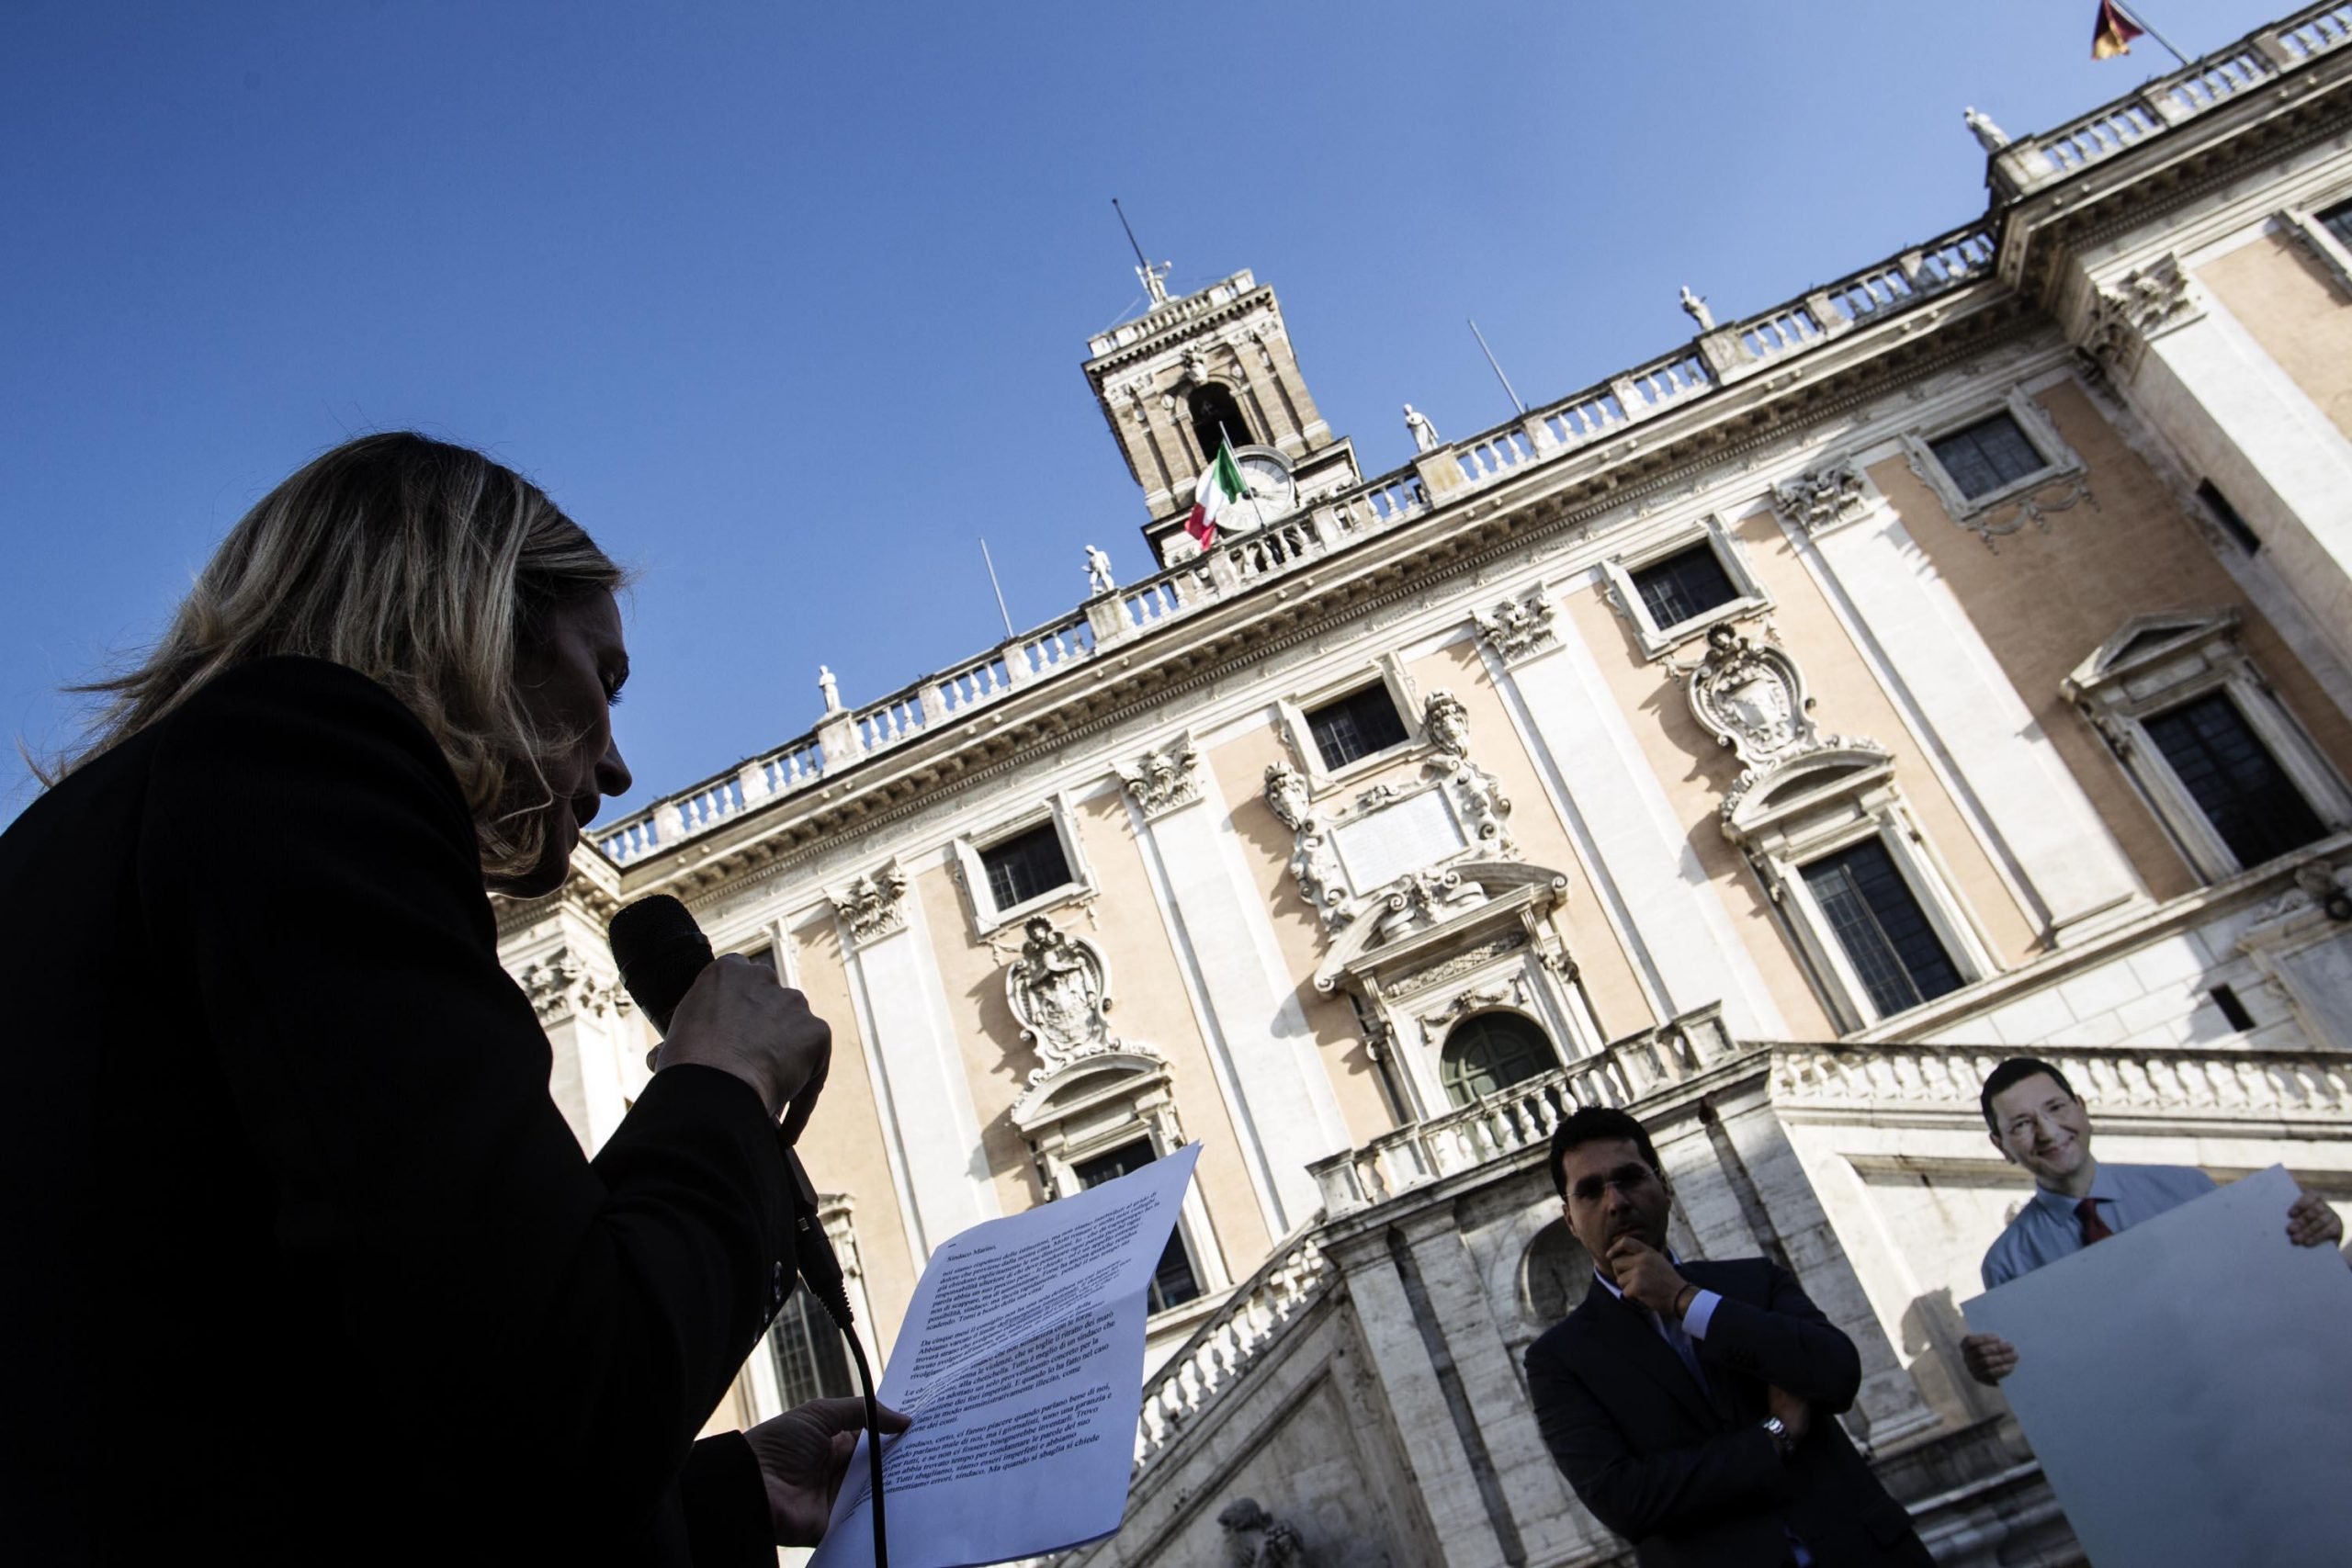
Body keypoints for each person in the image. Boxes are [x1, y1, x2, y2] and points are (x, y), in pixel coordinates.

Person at [0, 433, 905, 1566]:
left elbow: (376, 1424)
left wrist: (726, 1496)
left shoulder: (85, 849)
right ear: (473, 616)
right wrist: (720, 1084)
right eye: (602, 676)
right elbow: (560, 1410)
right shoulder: (310, 763)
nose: (618, 765)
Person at [1525, 1108, 1932, 1567]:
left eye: (1629, 1178)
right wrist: (1774, 1436)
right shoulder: (1558, 1359)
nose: (1615, 1202)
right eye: (1591, 1191)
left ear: (1665, 1187)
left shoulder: (1755, 1282)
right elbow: (1626, 1500)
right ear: (1571, 1221)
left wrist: (1685, 1300)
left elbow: (1837, 1371)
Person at [1960, 1055, 2343, 1384]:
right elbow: (2044, 1375)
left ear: (2082, 1108)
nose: (2047, 1131)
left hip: (2266, 1391)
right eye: (2021, 1125)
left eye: (2056, 1108)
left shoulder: (2186, 1187)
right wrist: (1992, 1368)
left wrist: (2321, 1244)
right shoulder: (2007, 1264)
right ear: (2001, 1146)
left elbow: (2271, 1285)